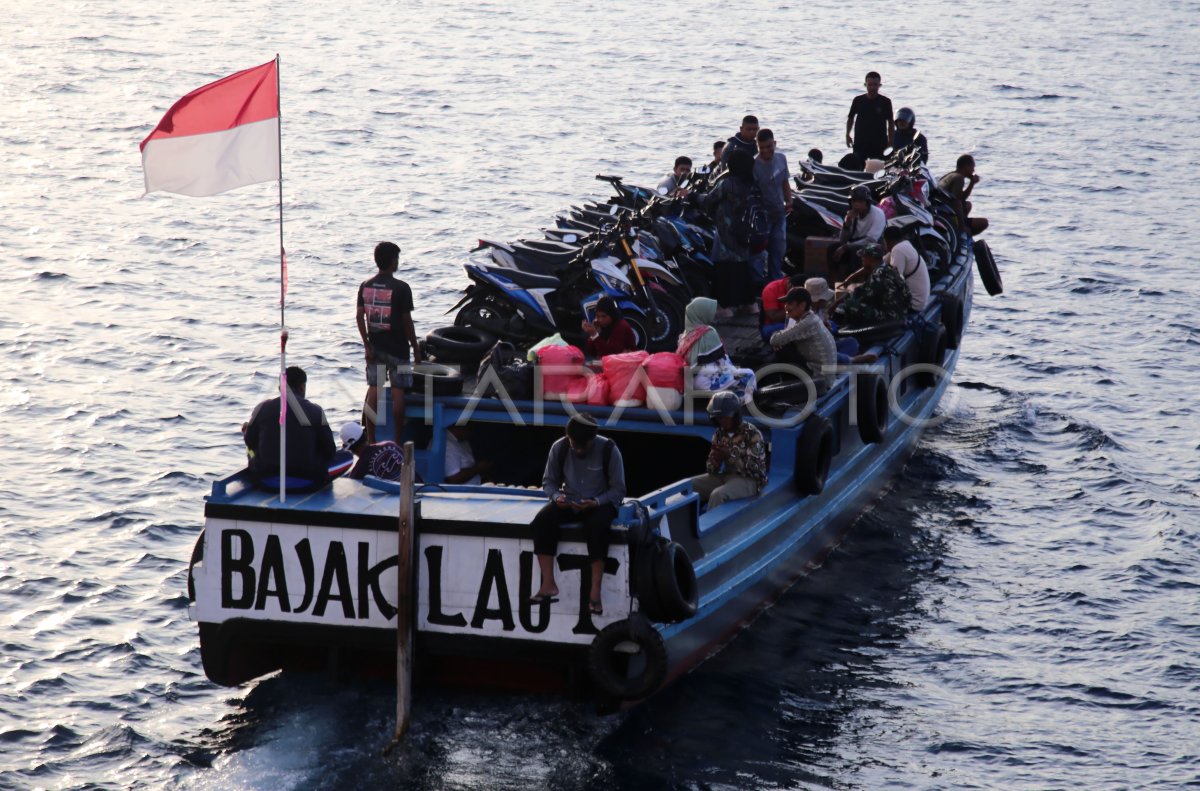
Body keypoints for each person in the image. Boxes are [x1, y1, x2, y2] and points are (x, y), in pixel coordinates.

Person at [530, 414, 626, 616]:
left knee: (598, 528)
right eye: (575, 445)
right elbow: (549, 482)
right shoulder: (560, 447)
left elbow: (618, 490)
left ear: (593, 439)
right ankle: (548, 583)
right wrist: (557, 498)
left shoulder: (609, 449)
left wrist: (596, 502)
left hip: (599, 502)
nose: (579, 449)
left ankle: (595, 591)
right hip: (570, 501)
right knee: (542, 521)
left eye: (584, 446)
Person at [357, 241, 421, 445]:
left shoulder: (365, 285)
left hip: (375, 347)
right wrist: (416, 348)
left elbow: (359, 316)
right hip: (398, 349)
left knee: (374, 389)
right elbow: (406, 321)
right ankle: (397, 439)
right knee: (398, 391)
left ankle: (371, 439)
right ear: (393, 261)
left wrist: (366, 344)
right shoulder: (402, 288)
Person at [243, 366, 336, 491]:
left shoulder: (262, 408)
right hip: (309, 481)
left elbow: (249, 441)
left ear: (280, 388)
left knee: (251, 445)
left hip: (265, 479)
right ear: (302, 387)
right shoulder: (316, 411)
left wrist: (247, 431)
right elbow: (330, 450)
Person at [703, 147, 759, 314]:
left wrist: (689, 196)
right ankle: (749, 304)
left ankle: (725, 308)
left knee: (724, 271)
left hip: (727, 235)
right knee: (742, 270)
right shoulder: (751, 183)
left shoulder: (728, 184)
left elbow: (708, 200)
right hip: (745, 233)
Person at [690, 391, 767, 509]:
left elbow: (755, 470)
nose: (722, 421)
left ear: (735, 415)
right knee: (689, 486)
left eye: (725, 417)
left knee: (718, 495)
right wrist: (714, 462)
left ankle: (711, 525)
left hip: (749, 480)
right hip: (726, 475)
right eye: (719, 418)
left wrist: (730, 456)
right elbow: (711, 470)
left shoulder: (752, 434)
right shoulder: (719, 434)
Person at [676, 297, 757, 401]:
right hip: (707, 380)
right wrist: (734, 372)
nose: (713, 314)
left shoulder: (684, 335)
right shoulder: (707, 332)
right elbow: (722, 360)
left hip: (693, 382)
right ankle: (744, 406)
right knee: (749, 374)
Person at [768, 288, 838, 391]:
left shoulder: (807, 323)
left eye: (790, 303)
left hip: (820, 380)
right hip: (821, 374)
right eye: (786, 303)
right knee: (784, 346)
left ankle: (778, 390)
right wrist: (779, 340)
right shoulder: (810, 317)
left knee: (782, 350)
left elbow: (774, 340)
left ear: (802, 305)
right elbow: (779, 339)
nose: (786, 307)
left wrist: (777, 338)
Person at [804, 277, 877, 365]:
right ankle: (850, 360)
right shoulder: (804, 316)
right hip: (814, 352)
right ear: (819, 299)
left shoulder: (819, 311)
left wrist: (829, 326)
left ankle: (841, 360)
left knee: (851, 342)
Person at [836, 243, 912, 326]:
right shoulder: (890, 270)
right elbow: (907, 295)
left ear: (870, 259)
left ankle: (845, 328)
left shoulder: (877, 275)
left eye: (863, 257)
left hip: (890, 318)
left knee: (849, 304)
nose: (862, 259)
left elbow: (861, 296)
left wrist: (838, 302)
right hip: (902, 313)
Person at [753, 128, 793, 283]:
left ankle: (774, 284)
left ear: (774, 144)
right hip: (762, 217)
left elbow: (785, 182)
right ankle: (757, 286)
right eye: (761, 147)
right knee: (759, 254)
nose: (765, 151)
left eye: (768, 146)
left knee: (778, 251)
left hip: (780, 214)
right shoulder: (754, 164)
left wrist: (789, 201)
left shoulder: (781, 158)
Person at [845, 71, 894, 161]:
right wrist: (847, 135)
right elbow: (850, 118)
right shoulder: (858, 100)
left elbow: (891, 122)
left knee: (878, 171)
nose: (872, 87)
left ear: (880, 85)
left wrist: (890, 142)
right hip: (860, 142)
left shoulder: (886, 102)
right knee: (858, 169)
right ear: (865, 85)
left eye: (875, 85)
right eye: (870, 85)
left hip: (879, 143)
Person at [832, 185, 886, 265]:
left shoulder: (878, 214)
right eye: (854, 201)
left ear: (867, 202)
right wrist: (846, 225)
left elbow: (871, 240)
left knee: (856, 252)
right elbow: (842, 240)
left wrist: (846, 247)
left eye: (860, 201)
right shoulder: (851, 215)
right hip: (854, 244)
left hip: (873, 246)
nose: (857, 205)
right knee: (833, 248)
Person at [938, 154, 989, 235]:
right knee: (984, 222)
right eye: (972, 167)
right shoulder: (959, 178)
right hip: (947, 213)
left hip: (941, 208)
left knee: (968, 205)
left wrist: (972, 183)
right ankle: (963, 234)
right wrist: (962, 227)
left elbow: (961, 198)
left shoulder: (950, 175)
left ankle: (962, 226)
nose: (973, 170)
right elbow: (957, 202)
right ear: (966, 166)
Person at [883, 226, 930, 311]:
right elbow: (882, 261)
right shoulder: (905, 244)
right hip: (921, 301)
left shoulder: (898, 250)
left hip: (914, 304)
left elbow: (894, 279)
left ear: (887, 241)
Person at [338, 421, 405, 481]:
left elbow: (352, 483)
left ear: (350, 449)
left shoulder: (359, 470)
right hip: (413, 485)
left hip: (396, 494)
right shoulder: (390, 444)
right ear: (366, 435)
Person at [761, 273, 806, 340]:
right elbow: (773, 317)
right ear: (791, 286)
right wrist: (796, 308)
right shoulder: (771, 289)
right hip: (774, 325)